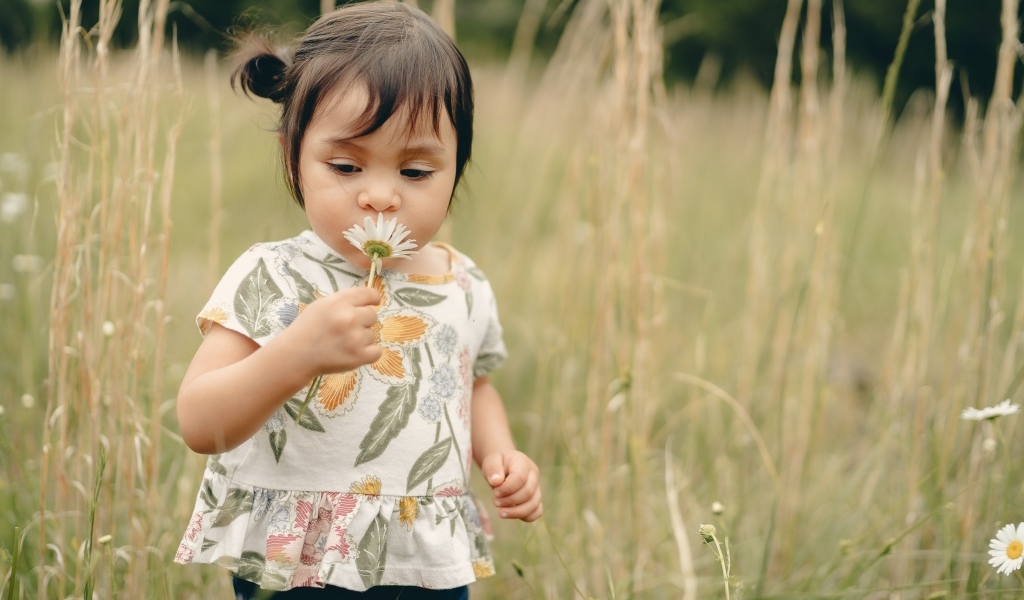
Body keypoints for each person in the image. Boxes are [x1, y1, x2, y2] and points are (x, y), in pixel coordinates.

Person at [173, 3, 543, 598]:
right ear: (294, 156)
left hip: (426, 556)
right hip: (301, 565)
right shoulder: (275, 275)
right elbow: (198, 422)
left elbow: (473, 383)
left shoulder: (463, 283)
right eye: (345, 165)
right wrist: (296, 354)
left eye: (417, 172)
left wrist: (502, 455)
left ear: (456, 169)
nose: (380, 197)